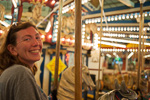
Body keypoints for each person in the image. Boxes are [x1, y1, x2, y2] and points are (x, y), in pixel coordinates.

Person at [0, 22, 50, 100]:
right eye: (27, 39)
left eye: (37, 37)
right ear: (12, 49)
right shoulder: (21, 72)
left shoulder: (12, 71)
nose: (36, 43)